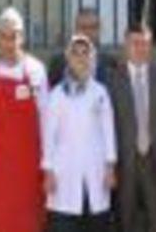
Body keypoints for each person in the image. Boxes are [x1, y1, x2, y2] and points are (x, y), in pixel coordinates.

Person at [0, 7, 48, 232]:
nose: (9, 42)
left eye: (14, 35)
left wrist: (48, 161)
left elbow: (46, 119)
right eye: (4, 36)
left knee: (28, 219)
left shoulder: (36, 70)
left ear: (22, 37)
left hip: (29, 164)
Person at [43, 35, 118, 232]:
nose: (81, 58)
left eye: (85, 53)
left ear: (92, 57)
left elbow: (108, 132)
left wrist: (110, 167)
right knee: (64, 220)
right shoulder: (56, 95)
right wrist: (48, 171)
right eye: (76, 53)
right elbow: (49, 136)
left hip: (96, 171)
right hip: (64, 174)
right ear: (68, 58)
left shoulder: (100, 92)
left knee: (96, 221)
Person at [109, 22, 156, 232]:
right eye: (134, 43)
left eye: (145, 43)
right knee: (125, 221)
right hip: (124, 164)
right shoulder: (112, 79)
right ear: (125, 45)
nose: (140, 48)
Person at [48, 8, 118, 86]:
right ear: (75, 30)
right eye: (83, 28)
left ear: (99, 30)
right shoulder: (59, 62)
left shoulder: (109, 62)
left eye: (93, 27)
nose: (88, 32)